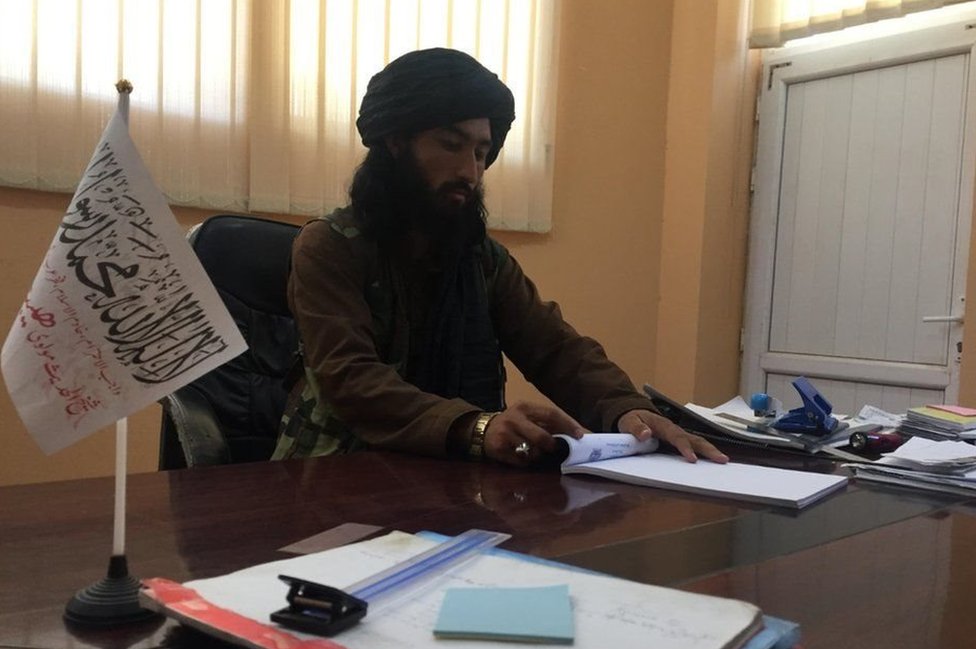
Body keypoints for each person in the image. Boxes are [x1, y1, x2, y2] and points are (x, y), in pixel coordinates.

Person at [272, 48, 728, 468]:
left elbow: (554, 348)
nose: (470, 172)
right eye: (451, 145)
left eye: (481, 152)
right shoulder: (329, 247)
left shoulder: (481, 260)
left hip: (455, 474)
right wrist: (476, 427)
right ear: (395, 142)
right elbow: (352, 381)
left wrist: (628, 411)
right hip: (333, 473)